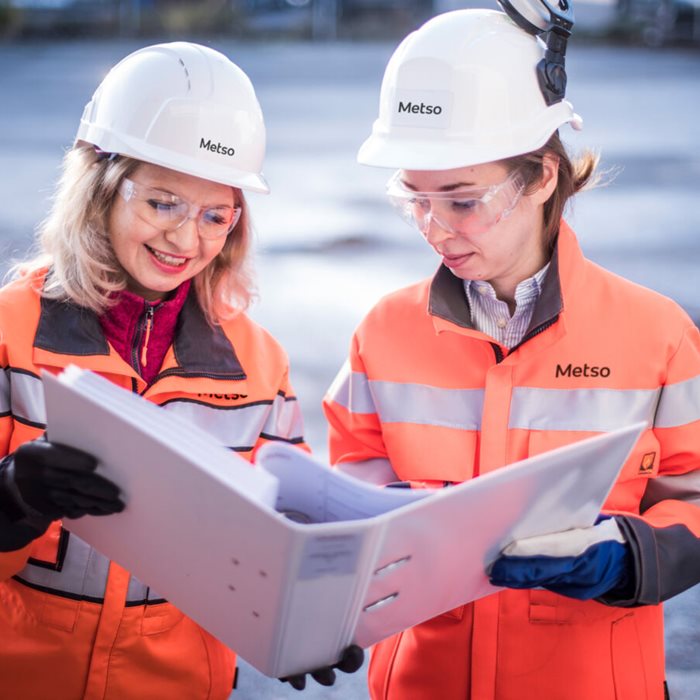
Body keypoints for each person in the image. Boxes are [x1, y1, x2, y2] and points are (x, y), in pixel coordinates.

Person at [322, 4, 700, 699]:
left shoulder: (660, 336)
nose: (435, 227)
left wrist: (630, 556)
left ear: (543, 177)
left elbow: (694, 498)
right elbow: (346, 497)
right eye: (417, 198)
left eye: (462, 201)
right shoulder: (381, 333)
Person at [0, 41, 335, 699]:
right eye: (162, 203)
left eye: (216, 215)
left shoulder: (258, 364)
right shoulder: (9, 333)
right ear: (99, 188)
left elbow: (275, 544)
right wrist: (12, 500)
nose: (187, 241)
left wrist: (303, 621)